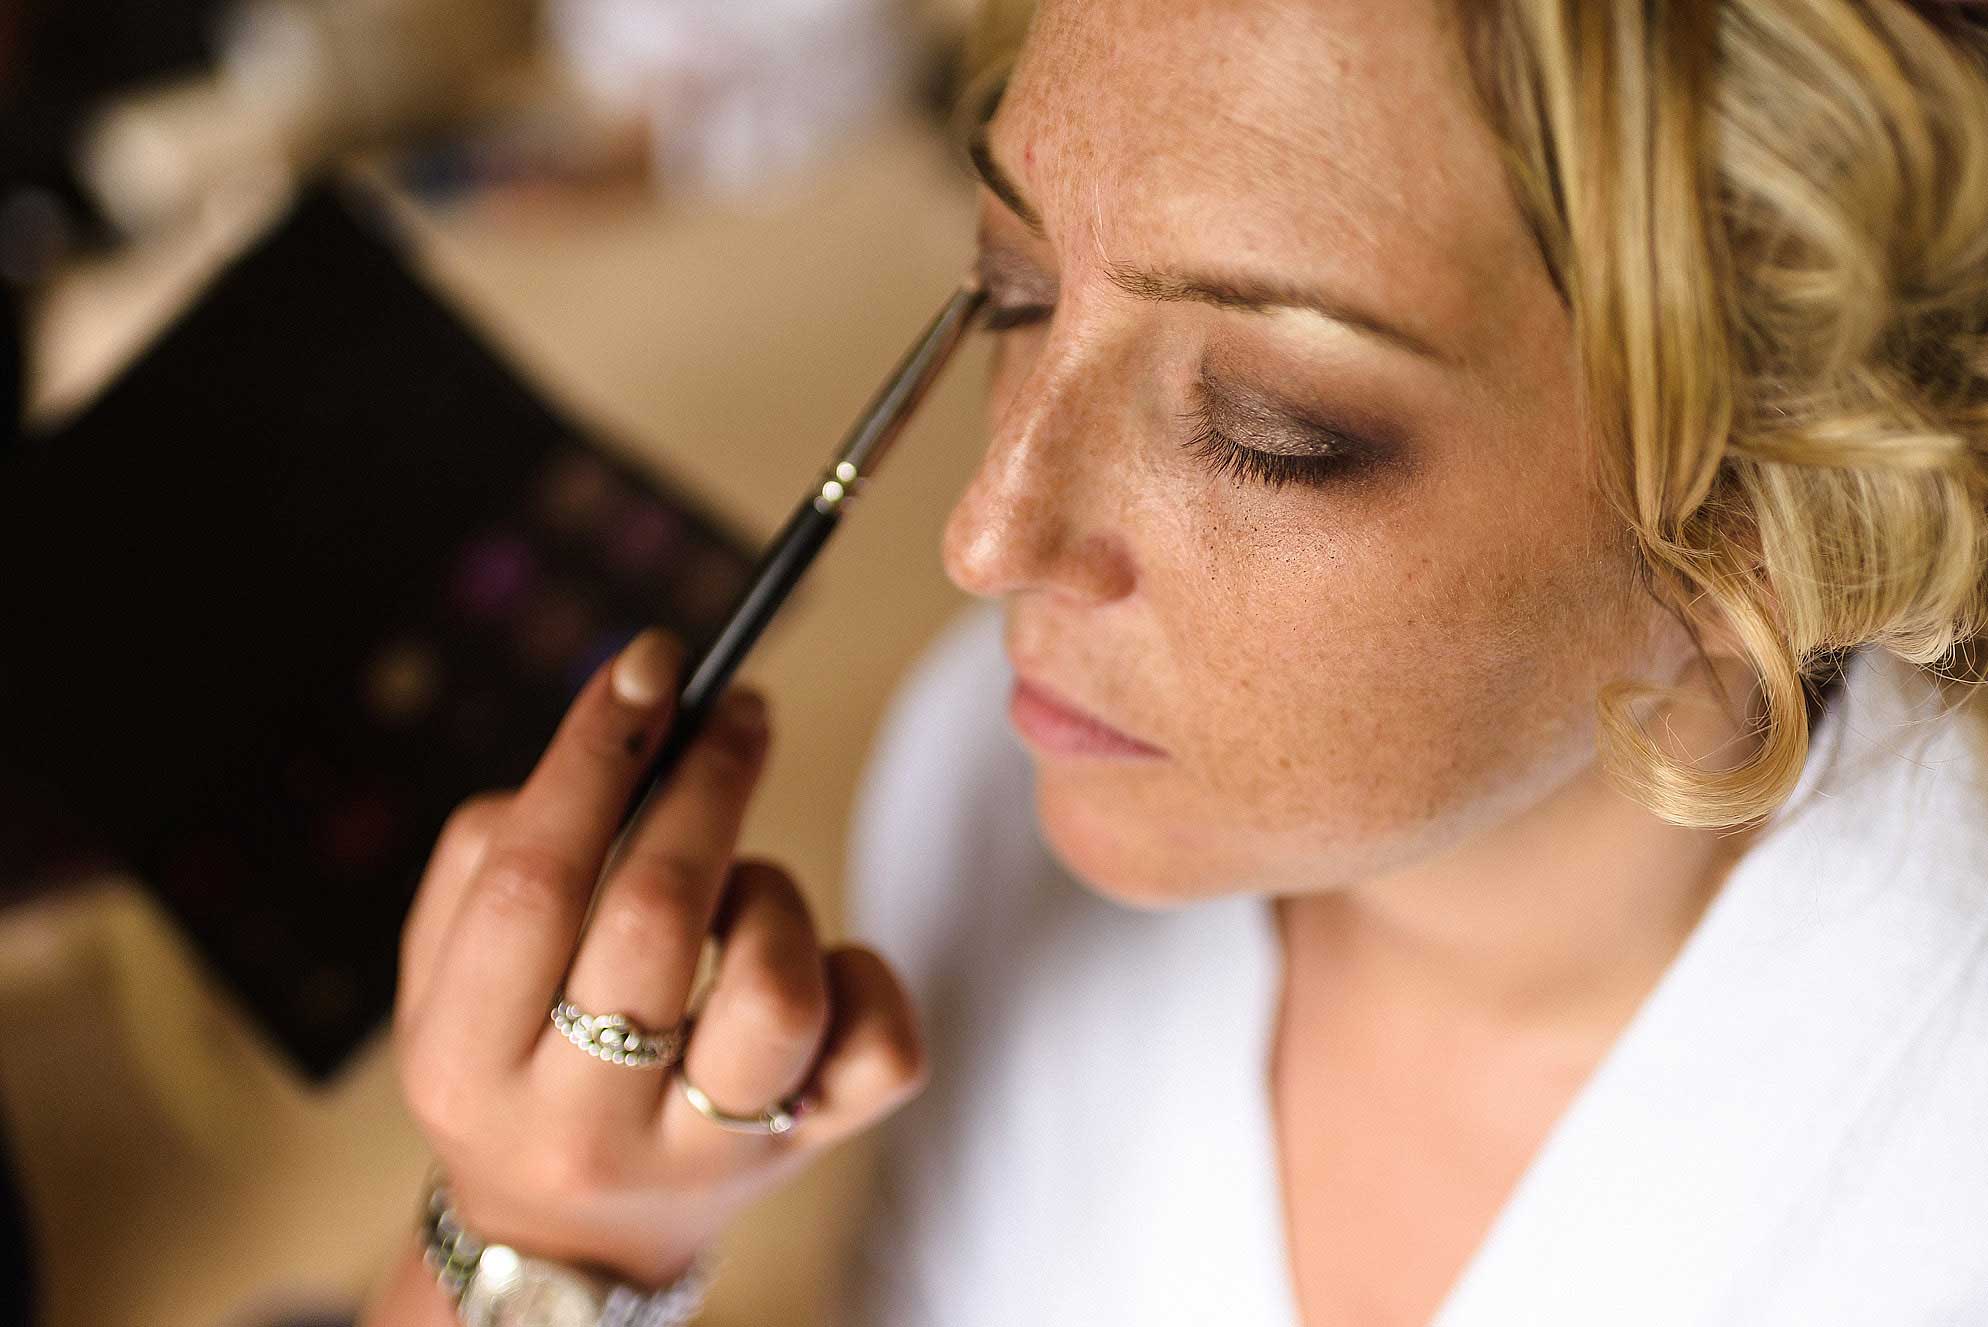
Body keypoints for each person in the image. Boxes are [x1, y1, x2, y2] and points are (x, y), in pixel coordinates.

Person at [362, 0, 1988, 1322]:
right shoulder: (988, 778)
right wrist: (544, 1246)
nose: (987, 538)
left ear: (1765, 508)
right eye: (1013, 288)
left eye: (1270, 434)